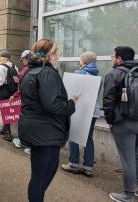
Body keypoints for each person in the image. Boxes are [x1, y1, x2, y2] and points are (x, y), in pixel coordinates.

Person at [18, 39, 79, 202]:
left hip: (37, 130)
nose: (60, 55)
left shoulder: (29, 71)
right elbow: (52, 105)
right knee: (41, 177)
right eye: (58, 52)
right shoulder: (47, 73)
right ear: (52, 55)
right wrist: (71, 104)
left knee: (41, 175)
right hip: (46, 133)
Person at [103, 46, 138, 202]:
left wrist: (110, 121)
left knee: (128, 159)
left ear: (120, 59)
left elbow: (108, 101)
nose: (112, 59)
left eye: (113, 56)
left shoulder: (114, 74)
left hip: (123, 123)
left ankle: (128, 195)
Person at [61, 51, 100, 177]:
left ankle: (73, 164)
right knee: (88, 139)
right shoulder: (99, 76)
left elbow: (73, 93)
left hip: (79, 110)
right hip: (93, 111)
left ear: (84, 61)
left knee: (74, 135)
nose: (79, 61)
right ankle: (88, 168)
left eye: (80, 59)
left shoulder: (80, 73)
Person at [0, 51, 18, 142]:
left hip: (4, 90)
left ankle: (8, 134)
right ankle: (5, 129)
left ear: (2, 58)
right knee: (9, 110)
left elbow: (1, 81)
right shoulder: (14, 66)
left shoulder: (1, 67)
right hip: (13, 91)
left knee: (5, 111)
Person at [10, 50, 31, 153]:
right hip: (37, 102)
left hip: (26, 101)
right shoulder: (41, 69)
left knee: (24, 122)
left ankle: (23, 142)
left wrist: (14, 95)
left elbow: (20, 89)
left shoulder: (23, 71)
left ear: (25, 58)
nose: (22, 62)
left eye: (22, 60)